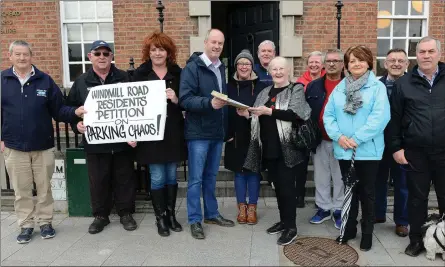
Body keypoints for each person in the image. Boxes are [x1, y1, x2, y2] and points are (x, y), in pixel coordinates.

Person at [1, 40, 85, 243]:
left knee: (44, 188)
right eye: (18, 54)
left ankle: (46, 222)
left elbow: (59, 110)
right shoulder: (2, 80)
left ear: (31, 56)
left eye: (26, 54)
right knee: (21, 190)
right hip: (13, 147)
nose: (22, 58)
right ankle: (26, 225)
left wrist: (75, 112)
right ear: (10, 56)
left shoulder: (45, 81)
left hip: (43, 145)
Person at [66, 40, 138, 235]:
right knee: (98, 181)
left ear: (112, 56)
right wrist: (77, 124)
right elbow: (70, 108)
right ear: (90, 56)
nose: (102, 57)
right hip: (95, 143)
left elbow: (135, 109)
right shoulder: (81, 82)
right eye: (98, 54)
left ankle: (125, 213)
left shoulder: (124, 77)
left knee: (124, 180)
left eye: (106, 53)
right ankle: (100, 216)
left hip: (122, 142)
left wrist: (135, 133)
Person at [323, 45, 390, 251]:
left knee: (367, 193)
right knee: (349, 191)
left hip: (368, 150)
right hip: (344, 150)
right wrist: (339, 136)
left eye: (360, 60)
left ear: (369, 62)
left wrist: (357, 138)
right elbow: (329, 115)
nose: (357, 64)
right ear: (347, 65)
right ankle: (349, 228)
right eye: (352, 61)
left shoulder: (377, 87)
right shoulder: (340, 88)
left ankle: (367, 233)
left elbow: (380, 118)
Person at [241, 56, 311, 246]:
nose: (278, 72)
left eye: (281, 69)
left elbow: (296, 114)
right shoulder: (264, 92)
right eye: (274, 69)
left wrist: (269, 112)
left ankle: (292, 228)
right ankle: (284, 221)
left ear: (288, 70)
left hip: (288, 148)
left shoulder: (295, 89)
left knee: (288, 189)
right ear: (269, 72)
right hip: (268, 147)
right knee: (278, 188)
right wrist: (248, 114)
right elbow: (258, 115)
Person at [389, 36, 445, 257]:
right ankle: (416, 241)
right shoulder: (404, 83)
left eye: (431, 51)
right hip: (415, 152)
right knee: (416, 200)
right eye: (422, 52)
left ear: (439, 54)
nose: (426, 56)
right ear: (416, 55)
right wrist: (396, 148)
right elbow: (394, 119)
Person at [179, 28, 235, 240]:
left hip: (215, 132)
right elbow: (185, 99)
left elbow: (222, 100)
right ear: (205, 43)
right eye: (213, 42)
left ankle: (211, 214)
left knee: (211, 177)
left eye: (220, 43)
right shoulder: (192, 68)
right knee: (195, 179)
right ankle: (195, 220)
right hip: (198, 134)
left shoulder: (221, 68)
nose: (217, 46)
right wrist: (208, 103)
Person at [132, 31, 187, 237]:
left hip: (172, 131)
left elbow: (187, 100)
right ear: (149, 52)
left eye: (161, 49)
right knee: (157, 177)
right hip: (151, 134)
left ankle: (172, 215)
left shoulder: (178, 73)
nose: (157, 53)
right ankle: (160, 218)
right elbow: (132, 106)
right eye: (154, 49)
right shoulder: (139, 74)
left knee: (172, 175)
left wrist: (176, 99)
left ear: (168, 52)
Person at [224, 49, 267, 225]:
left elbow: (265, 112)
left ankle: (252, 208)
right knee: (239, 173)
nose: (244, 66)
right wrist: (225, 134)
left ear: (252, 66)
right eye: (241, 63)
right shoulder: (228, 86)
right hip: (235, 136)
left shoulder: (261, 87)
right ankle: (241, 207)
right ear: (236, 66)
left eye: (247, 64)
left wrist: (249, 116)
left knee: (254, 173)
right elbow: (223, 112)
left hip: (255, 136)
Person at [306, 49, 345, 229]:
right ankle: (323, 208)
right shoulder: (314, 86)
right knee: (321, 176)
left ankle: (338, 209)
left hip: (342, 140)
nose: (331, 64)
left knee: (339, 177)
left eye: (336, 61)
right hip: (319, 138)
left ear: (343, 64)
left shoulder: (348, 84)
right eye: (328, 61)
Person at [375, 48, 410, 237]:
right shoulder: (376, 85)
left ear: (407, 64)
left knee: (402, 183)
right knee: (378, 180)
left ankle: (402, 221)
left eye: (400, 61)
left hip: (403, 144)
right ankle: (378, 213)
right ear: (385, 64)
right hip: (379, 141)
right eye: (392, 60)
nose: (396, 64)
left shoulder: (413, 84)